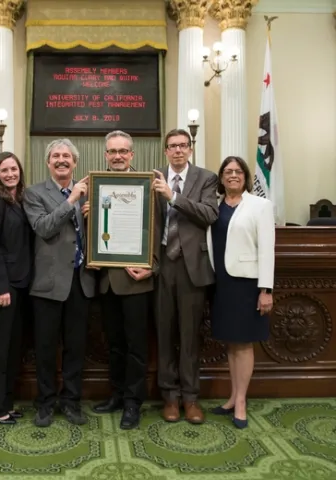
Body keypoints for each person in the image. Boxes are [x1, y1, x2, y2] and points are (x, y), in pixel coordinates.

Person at [88, 130, 160, 430]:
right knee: (114, 344)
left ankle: (133, 403)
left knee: (135, 346)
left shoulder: (149, 186)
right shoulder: (95, 186)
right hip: (106, 281)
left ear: (132, 155)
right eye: (112, 151)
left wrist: (153, 266)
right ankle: (116, 395)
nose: (117, 156)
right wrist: (85, 216)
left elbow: (158, 229)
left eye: (123, 151)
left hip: (137, 280)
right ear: (106, 155)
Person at [23, 138, 96, 428]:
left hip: (81, 280)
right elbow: (43, 227)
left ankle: (72, 401)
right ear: (48, 162)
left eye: (67, 156)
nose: (62, 160)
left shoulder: (92, 191)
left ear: (75, 162)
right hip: (48, 284)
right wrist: (72, 201)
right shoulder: (34, 193)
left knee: (76, 347)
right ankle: (45, 402)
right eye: (56, 156)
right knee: (45, 347)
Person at [152, 128, 218, 424]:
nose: (178, 150)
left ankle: (190, 398)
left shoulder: (205, 178)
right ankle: (169, 397)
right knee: (164, 334)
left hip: (192, 266)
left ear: (190, 149)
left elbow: (209, 214)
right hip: (162, 264)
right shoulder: (153, 179)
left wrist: (173, 196)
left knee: (189, 336)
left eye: (183, 145)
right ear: (165, 151)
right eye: (172, 146)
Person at [208, 156, 275, 429]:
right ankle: (232, 397)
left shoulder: (260, 206)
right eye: (227, 172)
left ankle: (242, 402)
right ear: (221, 178)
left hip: (247, 284)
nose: (232, 175)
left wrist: (266, 289)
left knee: (244, 343)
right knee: (231, 342)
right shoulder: (214, 206)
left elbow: (267, 249)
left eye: (237, 171)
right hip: (221, 282)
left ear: (246, 177)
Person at [0, 151, 32, 425]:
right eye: (4, 170)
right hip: (1, 287)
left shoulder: (20, 201)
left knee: (13, 349)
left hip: (20, 285)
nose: (10, 174)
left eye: (14, 169)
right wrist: (2, 287)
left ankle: (7, 402)